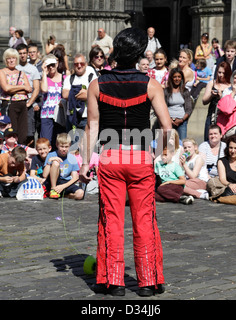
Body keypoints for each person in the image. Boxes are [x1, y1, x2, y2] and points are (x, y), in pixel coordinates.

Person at [80, 27, 172, 297]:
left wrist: (86, 162)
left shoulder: (98, 84)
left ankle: (112, 281)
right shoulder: (150, 84)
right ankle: (148, 281)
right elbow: (166, 127)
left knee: (111, 219)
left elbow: (91, 128)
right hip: (141, 158)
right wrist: (159, 154)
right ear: (140, 54)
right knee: (144, 220)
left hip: (110, 158)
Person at [0, 48, 32, 145]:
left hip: (22, 104)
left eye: (13, 58)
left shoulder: (21, 73)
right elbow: (6, 88)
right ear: (5, 60)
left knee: (23, 133)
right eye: (9, 58)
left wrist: (14, 89)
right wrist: (22, 87)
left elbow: (29, 89)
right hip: (10, 104)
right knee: (12, 131)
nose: (11, 60)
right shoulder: (2, 72)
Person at [62, 53, 97, 132]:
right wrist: (85, 93)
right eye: (76, 64)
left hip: (87, 117)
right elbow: (64, 94)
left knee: (88, 144)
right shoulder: (69, 79)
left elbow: (97, 94)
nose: (79, 66)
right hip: (72, 117)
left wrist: (73, 93)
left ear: (86, 64)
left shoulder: (92, 77)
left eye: (82, 63)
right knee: (73, 144)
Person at [42, 133, 83, 200]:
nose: (64, 149)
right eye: (62, 146)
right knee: (55, 163)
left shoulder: (72, 158)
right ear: (57, 145)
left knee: (80, 194)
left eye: (66, 147)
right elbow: (44, 175)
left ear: (69, 146)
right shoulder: (51, 155)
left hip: (65, 182)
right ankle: (53, 189)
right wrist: (49, 161)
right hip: (53, 180)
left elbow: (75, 178)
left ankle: (66, 195)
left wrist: (63, 186)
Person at [16, 44, 41, 146]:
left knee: (29, 134)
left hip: (28, 105)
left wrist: (30, 103)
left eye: (24, 53)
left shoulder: (33, 69)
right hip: (17, 103)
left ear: (27, 54)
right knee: (17, 132)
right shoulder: (15, 68)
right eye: (20, 53)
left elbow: (36, 88)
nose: (22, 55)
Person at [202, 61, 232, 141]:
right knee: (209, 139)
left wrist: (221, 96)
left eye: (223, 73)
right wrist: (211, 95)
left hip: (224, 117)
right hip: (212, 115)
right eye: (219, 72)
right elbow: (204, 101)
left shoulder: (230, 86)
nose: (221, 75)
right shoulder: (212, 83)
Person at [40, 54, 66, 147]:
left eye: (53, 65)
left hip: (60, 115)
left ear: (57, 64)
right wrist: (44, 72)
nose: (51, 67)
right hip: (47, 114)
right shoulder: (44, 78)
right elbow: (44, 89)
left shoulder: (64, 78)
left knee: (59, 142)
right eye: (48, 65)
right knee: (46, 142)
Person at [161, 68, 192, 139]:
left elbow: (189, 108)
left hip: (182, 122)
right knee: (168, 144)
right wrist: (170, 120)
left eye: (179, 77)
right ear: (171, 78)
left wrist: (182, 119)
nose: (177, 79)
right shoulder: (166, 91)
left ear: (181, 78)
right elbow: (163, 107)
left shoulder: (185, 91)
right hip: (168, 122)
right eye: (175, 77)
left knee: (182, 143)